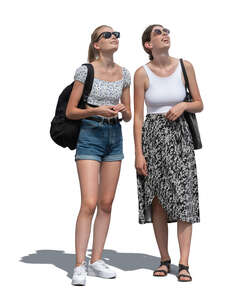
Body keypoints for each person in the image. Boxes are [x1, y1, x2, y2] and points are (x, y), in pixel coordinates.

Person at [133, 24, 203, 282]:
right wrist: (138, 153)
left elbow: (200, 103)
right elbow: (138, 118)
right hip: (152, 139)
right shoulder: (141, 73)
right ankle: (164, 259)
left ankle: (184, 263)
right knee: (157, 199)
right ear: (148, 45)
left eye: (167, 31)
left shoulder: (186, 66)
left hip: (180, 138)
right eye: (158, 32)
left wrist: (183, 105)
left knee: (185, 197)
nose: (165, 34)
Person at [66, 25, 131, 286]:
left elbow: (128, 115)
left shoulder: (124, 73)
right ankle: (79, 264)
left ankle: (97, 260)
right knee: (89, 203)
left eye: (116, 34)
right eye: (107, 35)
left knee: (106, 203)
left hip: (115, 136)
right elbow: (71, 111)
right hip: (90, 136)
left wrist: (121, 110)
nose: (114, 37)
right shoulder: (86, 71)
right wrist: (96, 111)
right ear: (96, 44)